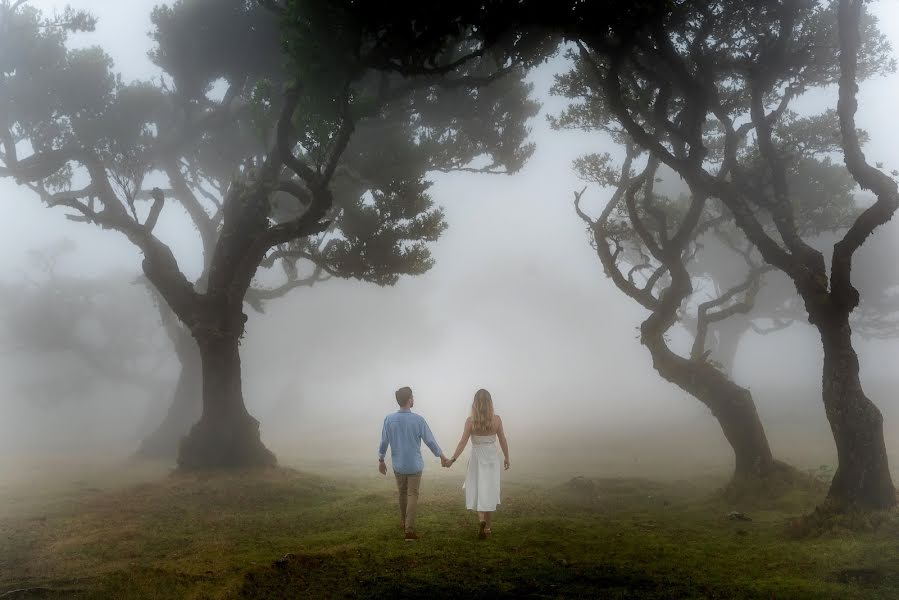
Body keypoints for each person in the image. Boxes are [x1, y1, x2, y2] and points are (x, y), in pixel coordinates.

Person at [378, 386, 450, 541]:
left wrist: (381, 459)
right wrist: (442, 457)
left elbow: (384, 442)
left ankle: (404, 522)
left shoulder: (389, 419)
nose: (414, 399)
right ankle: (409, 530)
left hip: (398, 465)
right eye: (413, 396)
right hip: (414, 465)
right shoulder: (418, 420)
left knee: (402, 493)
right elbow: (430, 441)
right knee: (412, 495)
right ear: (409, 399)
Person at [446, 388, 510, 539]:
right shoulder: (497, 420)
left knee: (477, 487)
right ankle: (487, 528)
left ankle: (481, 519)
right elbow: (502, 439)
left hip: (476, 458)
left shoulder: (470, 421)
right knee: (490, 489)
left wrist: (452, 459)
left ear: (475, 403)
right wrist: (507, 457)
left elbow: (462, 442)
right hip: (491, 458)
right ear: (490, 403)